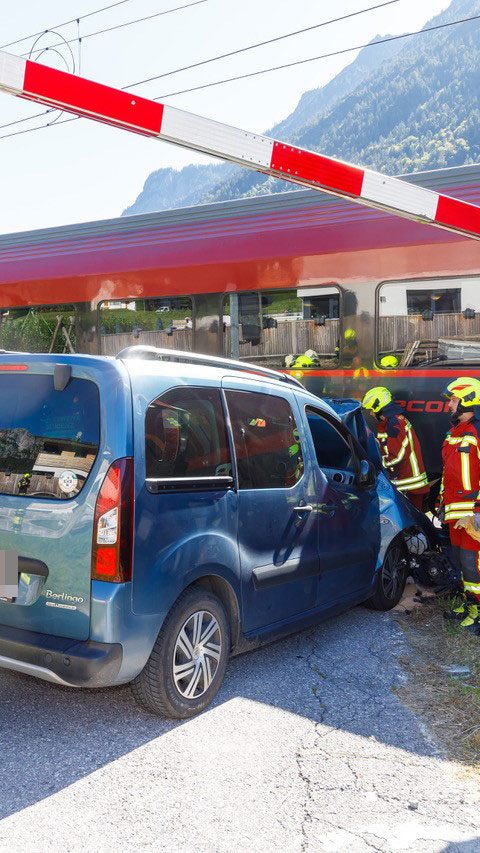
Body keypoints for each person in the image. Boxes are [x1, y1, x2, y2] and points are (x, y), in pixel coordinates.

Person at [439, 377, 480, 631]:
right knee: (460, 562)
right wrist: (442, 502)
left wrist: (478, 510)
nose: (449, 405)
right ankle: (469, 604)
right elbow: (449, 472)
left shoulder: (477, 432)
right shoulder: (455, 433)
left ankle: (478, 611)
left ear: (467, 401)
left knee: (472, 563)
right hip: (455, 512)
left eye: (453, 400)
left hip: (473, 513)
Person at [362, 387, 428, 509]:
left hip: (409, 485)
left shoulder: (395, 424)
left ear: (379, 407)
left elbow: (396, 457)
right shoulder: (390, 423)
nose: (371, 414)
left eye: (371, 410)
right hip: (406, 483)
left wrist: (375, 463)